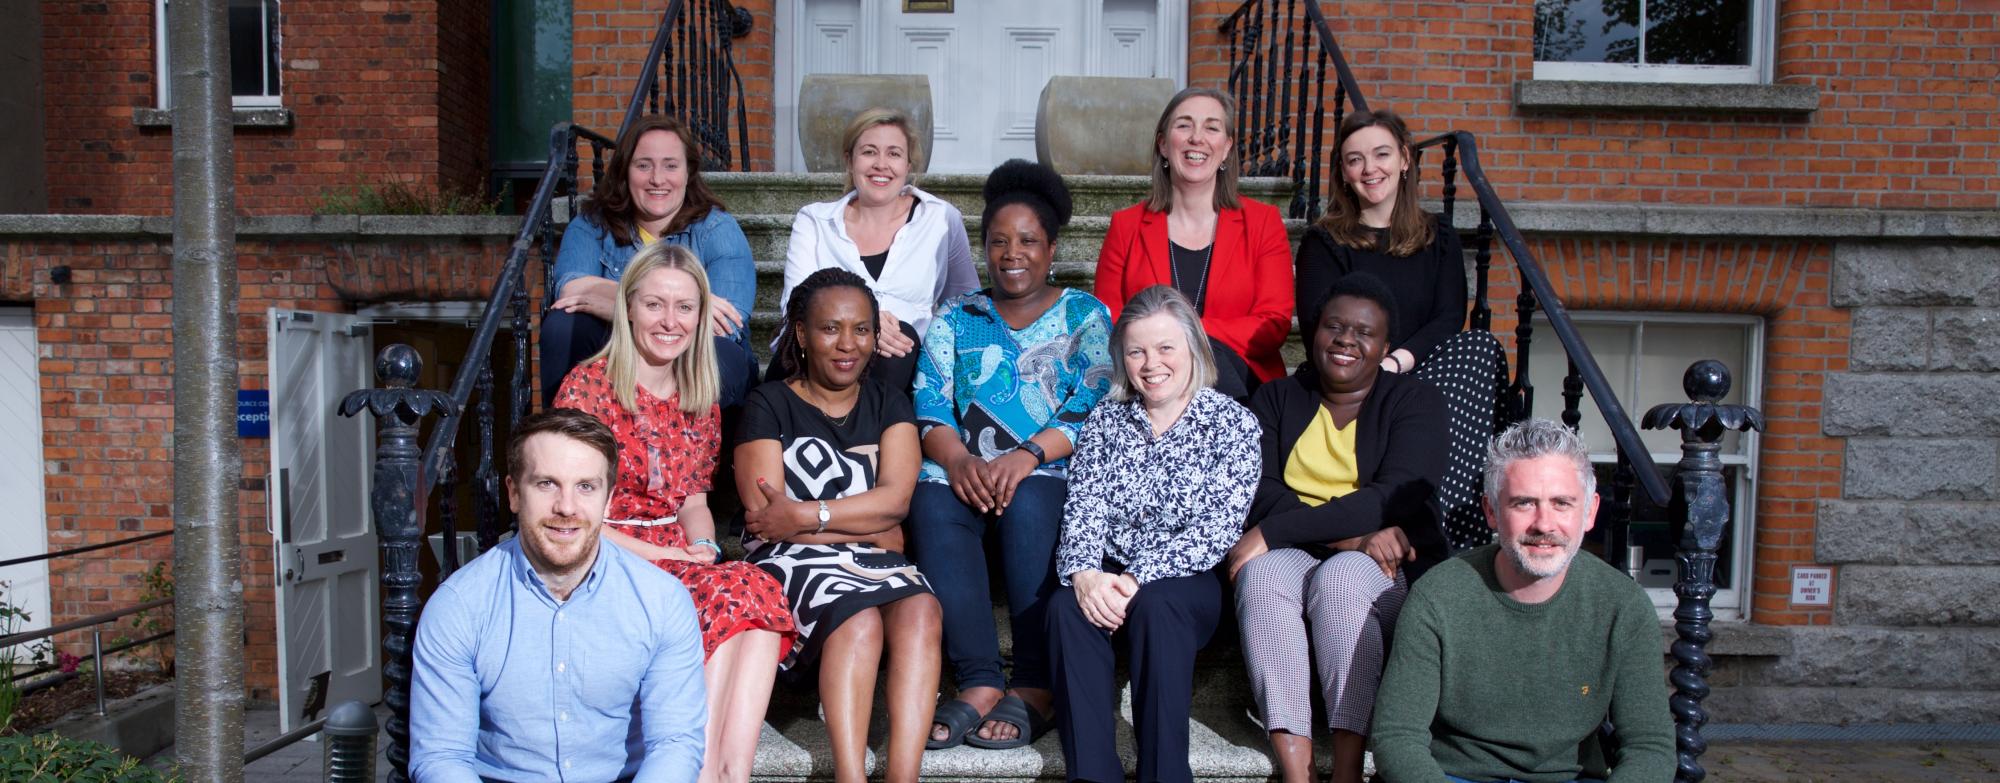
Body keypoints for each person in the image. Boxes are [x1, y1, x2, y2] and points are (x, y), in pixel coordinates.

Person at [551, 243, 794, 783]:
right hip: (601, 552)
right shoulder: (587, 389)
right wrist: (667, 554)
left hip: (671, 552)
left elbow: (694, 502)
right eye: (656, 305)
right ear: (629, 307)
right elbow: (576, 520)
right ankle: (696, 770)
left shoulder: (698, 395)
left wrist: (702, 547)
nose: (670, 321)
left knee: (757, 588)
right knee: (725, 592)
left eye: (685, 308)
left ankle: (730, 770)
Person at [907, 159, 1114, 750]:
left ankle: (1033, 682)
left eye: (1027, 241)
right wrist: (957, 462)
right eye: (998, 241)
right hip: (964, 466)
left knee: (1031, 501)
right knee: (932, 500)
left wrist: (1025, 456)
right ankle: (976, 678)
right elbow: (930, 403)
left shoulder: (1085, 315)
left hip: (1046, 463)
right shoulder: (956, 316)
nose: (1011, 253)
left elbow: (1094, 400)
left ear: (1051, 249)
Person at [1222, 273, 1449, 783]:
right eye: (1335, 326)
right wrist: (1350, 535)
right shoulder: (1277, 398)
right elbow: (1257, 488)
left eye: (1364, 332)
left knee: (1342, 580)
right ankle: (1296, 772)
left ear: (1385, 347)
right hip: (1342, 547)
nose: (1347, 339)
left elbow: (1393, 497)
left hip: (1389, 566)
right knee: (1262, 578)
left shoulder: (1416, 402)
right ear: (1315, 332)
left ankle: (1348, 772)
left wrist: (1281, 530)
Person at [1370, 418, 1674, 783]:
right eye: (1524, 503)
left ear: (1590, 512)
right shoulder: (1440, 596)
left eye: (1562, 503)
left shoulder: (1622, 605)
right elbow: (1397, 738)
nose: (1544, 524)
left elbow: (1650, 748)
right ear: (1491, 511)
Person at [410, 408, 705, 783]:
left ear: (609, 500)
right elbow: (441, 757)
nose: (566, 507)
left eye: (586, 486)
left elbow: (676, 744)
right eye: (546, 483)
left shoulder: (662, 601)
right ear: (514, 493)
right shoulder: (459, 606)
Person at [1046, 286, 1262, 783]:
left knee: (1159, 606)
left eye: (1165, 347)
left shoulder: (1232, 424)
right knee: (1062, 608)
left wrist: (1137, 578)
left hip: (1187, 581)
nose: (1151, 363)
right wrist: (1083, 574)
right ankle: (1093, 775)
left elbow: (1218, 527)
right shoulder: (1105, 421)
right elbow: (1084, 507)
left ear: (1192, 349)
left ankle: (1164, 774)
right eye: (1137, 350)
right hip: (1112, 575)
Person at [735, 267, 943, 783]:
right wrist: (866, 525)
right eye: (830, 328)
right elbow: (765, 516)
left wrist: (807, 514)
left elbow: (895, 504)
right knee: (859, 618)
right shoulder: (769, 403)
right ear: (802, 334)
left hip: (854, 553)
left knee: (922, 609)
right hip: (788, 561)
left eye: (861, 329)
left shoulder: (890, 403)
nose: (848, 343)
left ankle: (904, 776)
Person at [1292, 107, 1499, 550]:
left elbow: (1447, 317)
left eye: (1381, 154)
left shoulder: (1437, 234)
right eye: (1355, 159)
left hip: (1419, 374)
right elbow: (1318, 329)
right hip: (1351, 380)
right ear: (1343, 173)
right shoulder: (1325, 241)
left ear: (1405, 159)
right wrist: (1375, 369)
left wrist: (1398, 361)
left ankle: (1453, 528)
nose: (1370, 169)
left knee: (1478, 348)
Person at [545, 114, 758, 409]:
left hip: (692, 355)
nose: (657, 179)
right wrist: (683, 304)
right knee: (563, 326)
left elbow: (725, 323)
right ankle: (566, 440)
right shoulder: (592, 226)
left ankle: (706, 453)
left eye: (670, 165)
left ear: (688, 173)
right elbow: (571, 291)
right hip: (618, 352)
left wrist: (617, 304)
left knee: (723, 354)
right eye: (643, 165)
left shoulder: (717, 230)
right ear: (625, 171)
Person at [1093, 87, 1294, 399]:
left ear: (1226, 148)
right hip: (1151, 381)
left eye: (1211, 128)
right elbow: (1108, 319)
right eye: (1184, 125)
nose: (1196, 138)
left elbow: (1272, 324)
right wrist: (1164, 351)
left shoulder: (1262, 222)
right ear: (1162, 143)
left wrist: (1182, 335)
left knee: (1215, 364)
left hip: (1239, 381)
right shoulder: (1126, 226)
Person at [779, 107, 980, 393]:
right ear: (850, 160)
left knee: (897, 346)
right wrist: (867, 323)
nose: (881, 164)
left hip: (903, 362)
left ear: (908, 164)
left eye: (894, 154)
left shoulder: (941, 219)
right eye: (869, 152)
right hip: (823, 354)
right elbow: (795, 304)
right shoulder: (814, 221)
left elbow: (964, 306)